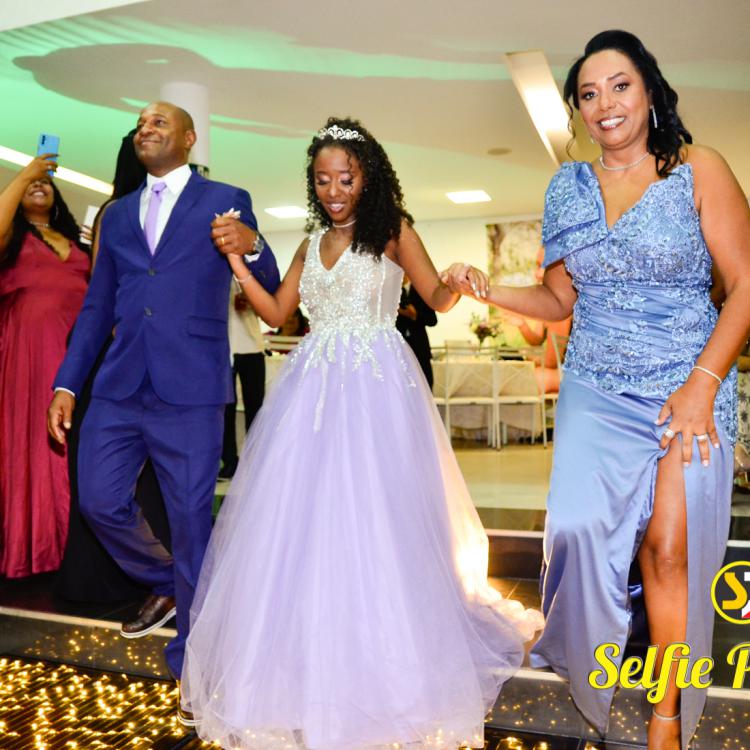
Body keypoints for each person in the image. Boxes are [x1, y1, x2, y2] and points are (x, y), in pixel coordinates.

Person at [181, 117, 542, 749]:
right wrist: (239, 263)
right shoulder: (308, 242)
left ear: (366, 177)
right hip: (312, 389)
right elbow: (277, 313)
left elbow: (436, 298)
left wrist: (457, 277)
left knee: (378, 514)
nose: (333, 190)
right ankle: (309, 659)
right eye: (322, 180)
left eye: (344, 178)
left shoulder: (393, 231)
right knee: (306, 520)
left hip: (377, 386)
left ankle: (389, 661)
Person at [445, 30, 750, 750]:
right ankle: (589, 662)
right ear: (579, 111)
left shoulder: (699, 169)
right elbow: (559, 300)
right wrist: (490, 292)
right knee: (577, 531)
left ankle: (667, 710)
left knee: (668, 551)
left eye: (619, 85)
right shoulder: (567, 188)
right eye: (588, 93)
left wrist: (703, 384)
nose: (605, 103)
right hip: (596, 385)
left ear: (650, 92)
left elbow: (744, 285)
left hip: (688, 383)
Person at [46, 102, 280, 693]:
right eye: (141, 124)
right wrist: (67, 382)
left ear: (189, 137)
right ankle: (172, 581)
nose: (145, 130)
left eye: (158, 122)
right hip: (119, 386)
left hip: (192, 388)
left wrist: (253, 245)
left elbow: (271, 284)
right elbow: (97, 305)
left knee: (190, 519)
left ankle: (194, 666)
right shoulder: (117, 214)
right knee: (98, 500)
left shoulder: (225, 199)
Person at [55, 129, 171, 602]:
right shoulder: (117, 212)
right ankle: (121, 582)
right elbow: (104, 293)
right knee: (108, 480)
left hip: (143, 352)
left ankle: (160, 581)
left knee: (149, 479)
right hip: (114, 351)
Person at [0, 156, 90, 578]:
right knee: (34, 445)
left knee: (75, 450)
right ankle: (32, 547)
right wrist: (25, 174)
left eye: (46, 184)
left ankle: (74, 549)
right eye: (31, 185)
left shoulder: (76, 243)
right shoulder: (12, 240)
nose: (40, 186)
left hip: (77, 360)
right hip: (28, 357)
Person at [218, 289, 266, 479]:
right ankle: (229, 461)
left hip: (252, 345)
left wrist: (252, 299)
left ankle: (255, 461)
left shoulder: (255, 272)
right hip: (223, 347)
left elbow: (272, 308)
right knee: (225, 409)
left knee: (255, 408)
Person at [396, 273, 437, 388]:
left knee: (425, 383)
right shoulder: (391, 291)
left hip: (420, 347)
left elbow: (432, 320)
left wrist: (415, 315)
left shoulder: (421, 291)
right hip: (398, 347)